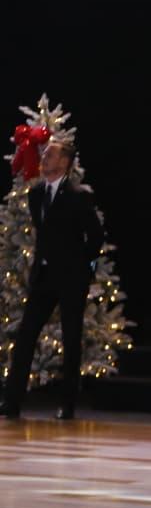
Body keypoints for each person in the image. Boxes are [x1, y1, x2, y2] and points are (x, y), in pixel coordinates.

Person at [0, 139, 103, 421]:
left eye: (51, 154)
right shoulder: (36, 194)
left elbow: (95, 237)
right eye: (44, 154)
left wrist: (84, 269)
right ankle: (12, 402)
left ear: (65, 162)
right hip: (44, 277)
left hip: (71, 279)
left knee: (71, 338)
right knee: (25, 337)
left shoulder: (78, 196)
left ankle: (67, 405)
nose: (44, 158)